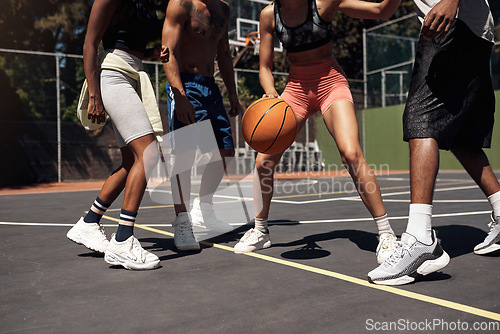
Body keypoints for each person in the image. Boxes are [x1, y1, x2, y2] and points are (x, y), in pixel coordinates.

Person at [233, 0, 402, 264]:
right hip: (296, 88)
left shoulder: (323, 3)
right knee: (263, 161)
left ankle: (387, 234)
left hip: (330, 81)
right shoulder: (269, 15)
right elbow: (264, 67)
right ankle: (260, 230)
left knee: (351, 153)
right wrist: (271, 94)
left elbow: (381, 10)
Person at [368, 0, 499, 285]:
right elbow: (383, 9)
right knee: (462, 137)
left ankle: (420, 239)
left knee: (420, 121)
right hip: (475, 31)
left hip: (452, 24)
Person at [66, 0, 166, 270]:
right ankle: (122, 241)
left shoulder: (147, 4)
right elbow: (90, 43)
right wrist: (94, 96)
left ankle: (88, 222)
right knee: (149, 153)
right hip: (112, 75)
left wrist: (151, 52)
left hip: (134, 73)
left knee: (132, 162)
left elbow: (129, 42)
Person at [161, 0, 242, 251]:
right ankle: (182, 222)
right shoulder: (181, 4)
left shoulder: (224, 9)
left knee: (225, 151)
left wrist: (233, 93)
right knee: (184, 157)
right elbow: (168, 52)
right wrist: (181, 95)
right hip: (185, 85)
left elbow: (224, 54)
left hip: (210, 87)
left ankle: (203, 209)